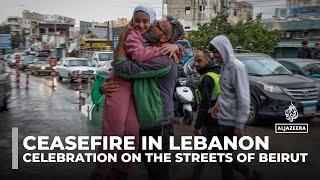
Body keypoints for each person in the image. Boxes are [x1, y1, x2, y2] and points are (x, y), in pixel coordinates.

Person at [94, 4, 182, 180]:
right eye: (155, 22)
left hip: (158, 126)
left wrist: (177, 48)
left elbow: (122, 68)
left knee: (157, 173)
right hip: (144, 122)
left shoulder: (164, 59)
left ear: (165, 38)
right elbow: (117, 73)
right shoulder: (146, 43)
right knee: (123, 157)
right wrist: (102, 88)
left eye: (157, 25)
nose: (151, 25)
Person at [209, 35, 260, 180]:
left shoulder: (237, 68)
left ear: (224, 49)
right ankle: (248, 172)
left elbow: (243, 98)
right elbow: (225, 92)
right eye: (214, 53)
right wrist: (217, 106)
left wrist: (239, 125)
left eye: (216, 52)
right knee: (221, 155)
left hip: (231, 122)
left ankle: (246, 172)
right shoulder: (225, 67)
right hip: (222, 119)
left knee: (224, 158)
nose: (215, 56)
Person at [184, 51, 221, 180]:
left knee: (201, 152)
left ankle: (194, 177)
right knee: (220, 154)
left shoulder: (207, 78)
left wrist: (197, 126)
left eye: (199, 60)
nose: (196, 64)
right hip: (218, 120)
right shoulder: (216, 74)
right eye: (195, 61)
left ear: (207, 60)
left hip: (211, 121)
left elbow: (204, 105)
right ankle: (249, 172)